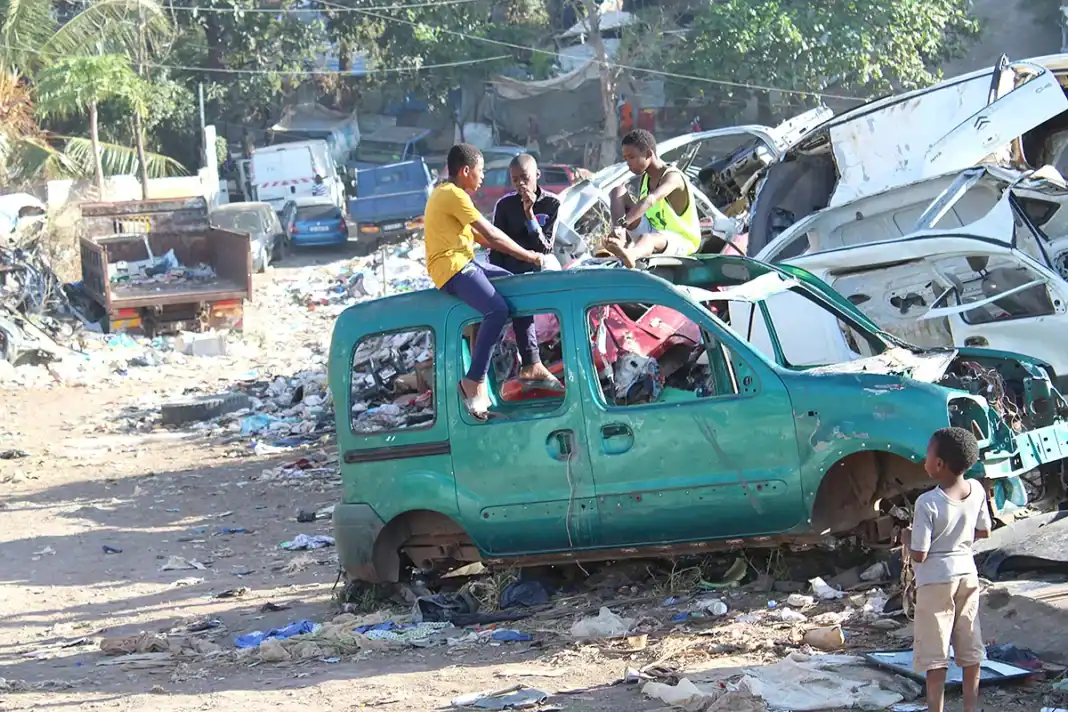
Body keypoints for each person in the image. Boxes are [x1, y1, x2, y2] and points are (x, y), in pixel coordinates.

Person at [424, 143, 560, 420]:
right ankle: (473, 380)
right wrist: (532, 257)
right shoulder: (453, 195)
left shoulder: (450, 194)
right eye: (481, 170)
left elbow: (483, 239)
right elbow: (493, 236)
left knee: (516, 288)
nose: (483, 176)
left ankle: (531, 364)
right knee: (496, 310)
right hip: (453, 267)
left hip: (465, 261)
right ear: (465, 171)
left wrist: (524, 255)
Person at [904, 427, 991, 712]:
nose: (924, 460)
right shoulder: (977, 489)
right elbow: (985, 530)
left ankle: (936, 709)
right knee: (969, 645)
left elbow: (920, 553)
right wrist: (959, 537)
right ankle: (970, 707)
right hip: (967, 573)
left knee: (936, 653)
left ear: (939, 464)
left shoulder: (927, 502)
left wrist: (905, 538)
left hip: (935, 581)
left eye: (928, 455)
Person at [605, 128, 702, 268]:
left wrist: (623, 224)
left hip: (681, 241)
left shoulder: (673, 176)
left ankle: (631, 255)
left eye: (631, 157)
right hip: (653, 231)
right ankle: (620, 242)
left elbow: (650, 200)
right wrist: (619, 229)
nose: (628, 163)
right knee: (618, 191)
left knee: (648, 239)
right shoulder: (645, 178)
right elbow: (638, 212)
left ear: (649, 153)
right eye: (625, 159)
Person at [490, 154, 561, 276]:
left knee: (550, 262)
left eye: (525, 177)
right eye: (515, 180)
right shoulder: (504, 204)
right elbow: (496, 246)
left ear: (537, 175)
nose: (520, 183)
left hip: (539, 265)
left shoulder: (551, 203)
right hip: (511, 267)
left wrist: (530, 214)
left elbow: (545, 248)